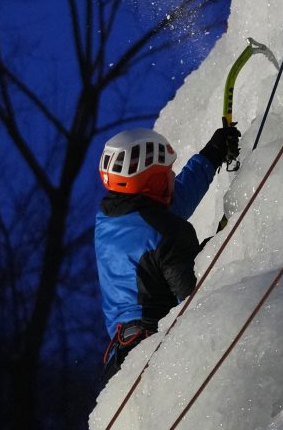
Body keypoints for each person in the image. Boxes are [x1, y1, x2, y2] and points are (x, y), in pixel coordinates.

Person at [94, 124, 240, 379]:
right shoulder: (168, 233)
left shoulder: (110, 217)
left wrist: (211, 155)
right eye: (167, 173)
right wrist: (217, 246)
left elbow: (170, 205)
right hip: (157, 355)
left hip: (122, 357)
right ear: (154, 181)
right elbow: (195, 298)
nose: (171, 177)